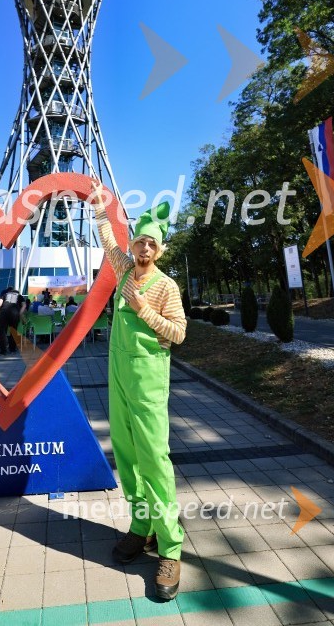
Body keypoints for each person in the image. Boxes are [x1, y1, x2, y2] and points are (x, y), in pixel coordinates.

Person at [91, 180, 187, 601]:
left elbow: (179, 333)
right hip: (118, 377)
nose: (143, 248)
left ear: (160, 250)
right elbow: (107, 238)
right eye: (139, 242)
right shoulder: (123, 269)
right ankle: (142, 526)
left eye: (151, 244)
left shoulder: (166, 286)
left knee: (154, 459)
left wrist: (144, 309)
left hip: (148, 380)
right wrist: (98, 207)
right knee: (127, 458)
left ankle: (170, 547)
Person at [0, 288, 24, 354]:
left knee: (3, 331)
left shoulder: (5, 294)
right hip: (15, 313)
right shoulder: (19, 296)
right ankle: (12, 349)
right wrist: (20, 313)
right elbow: (24, 305)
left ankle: (3, 350)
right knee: (13, 330)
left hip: (4, 312)